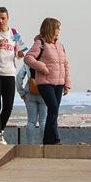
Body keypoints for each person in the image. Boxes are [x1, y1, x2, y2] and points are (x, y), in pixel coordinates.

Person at [24, 17, 72, 146]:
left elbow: (65, 64)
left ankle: (48, 140)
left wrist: (67, 83)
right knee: (53, 108)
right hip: (45, 82)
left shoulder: (60, 45)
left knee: (53, 111)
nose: (59, 31)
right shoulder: (40, 43)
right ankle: (54, 139)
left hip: (59, 83)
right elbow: (28, 58)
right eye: (57, 28)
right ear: (51, 28)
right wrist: (42, 67)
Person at [0, 7, 25, 145]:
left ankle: (0, 130)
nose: (0, 21)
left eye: (3, 18)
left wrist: (20, 54)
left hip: (10, 72)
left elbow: (21, 50)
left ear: (7, 18)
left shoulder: (14, 33)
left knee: (8, 105)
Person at [15, 30, 46, 143]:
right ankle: (44, 144)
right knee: (43, 120)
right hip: (44, 92)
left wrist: (22, 92)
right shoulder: (47, 58)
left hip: (30, 92)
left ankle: (30, 145)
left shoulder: (29, 59)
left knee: (31, 121)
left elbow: (19, 77)